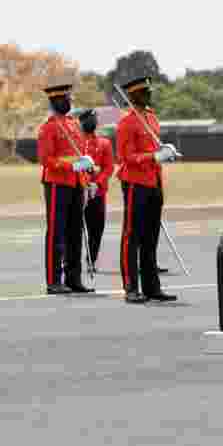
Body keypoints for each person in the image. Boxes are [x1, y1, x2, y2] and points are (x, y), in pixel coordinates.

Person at [116, 76, 178, 303]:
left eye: (148, 91)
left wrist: (165, 153)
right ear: (132, 96)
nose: (148, 95)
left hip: (153, 181)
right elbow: (125, 157)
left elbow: (154, 149)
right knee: (132, 236)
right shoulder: (127, 123)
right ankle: (131, 287)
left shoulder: (151, 118)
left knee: (151, 237)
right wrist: (152, 156)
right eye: (143, 92)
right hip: (135, 182)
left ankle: (152, 287)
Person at [37, 77, 94, 294]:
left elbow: (80, 155)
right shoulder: (48, 128)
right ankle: (54, 281)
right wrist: (73, 164)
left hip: (76, 183)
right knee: (56, 233)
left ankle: (73, 278)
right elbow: (46, 160)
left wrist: (86, 170)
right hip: (57, 183)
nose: (70, 100)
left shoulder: (74, 124)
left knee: (74, 232)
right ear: (57, 100)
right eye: (66, 97)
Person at [78, 108, 115, 268]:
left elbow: (108, 168)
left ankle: (91, 259)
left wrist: (97, 182)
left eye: (94, 119)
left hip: (97, 192)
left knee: (97, 228)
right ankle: (71, 261)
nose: (92, 122)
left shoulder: (104, 143)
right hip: (78, 191)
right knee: (74, 229)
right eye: (88, 119)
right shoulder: (76, 142)